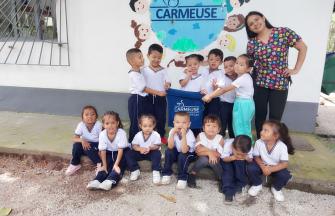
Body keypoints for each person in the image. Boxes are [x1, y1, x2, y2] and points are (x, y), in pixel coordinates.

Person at [245, 11, 307, 138]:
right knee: (260, 116)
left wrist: (296, 69)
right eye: (251, 24)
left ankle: (272, 145)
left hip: (280, 83)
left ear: (263, 17)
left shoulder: (283, 32)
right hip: (259, 83)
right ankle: (260, 143)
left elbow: (303, 47)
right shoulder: (252, 43)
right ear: (249, 28)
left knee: (275, 117)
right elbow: (249, 63)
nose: (255, 24)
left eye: (256, 19)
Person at [202, 54, 255, 140]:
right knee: (238, 126)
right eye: (237, 63)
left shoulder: (244, 78)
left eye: (241, 65)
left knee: (242, 127)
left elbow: (224, 90)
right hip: (240, 102)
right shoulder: (240, 76)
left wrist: (210, 95)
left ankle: (245, 147)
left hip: (244, 104)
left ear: (249, 69)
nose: (237, 66)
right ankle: (240, 144)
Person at [247, 120, 295, 202]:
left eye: (266, 130)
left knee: (285, 175)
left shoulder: (282, 146)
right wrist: (263, 167)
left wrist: (270, 169)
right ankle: (257, 184)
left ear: (275, 136)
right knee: (250, 167)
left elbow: (284, 164)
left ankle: (276, 188)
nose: (261, 132)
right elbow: (256, 156)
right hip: (263, 165)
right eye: (262, 129)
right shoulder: (259, 142)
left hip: (276, 167)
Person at [126, 48, 166, 143]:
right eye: (139, 57)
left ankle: (144, 140)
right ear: (132, 61)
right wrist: (159, 93)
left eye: (142, 57)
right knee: (136, 121)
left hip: (143, 99)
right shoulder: (134, 74)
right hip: (136, 99)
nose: (142, 59)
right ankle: (132, 142)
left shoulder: (141, 71)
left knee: (144, 120)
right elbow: (143, 88)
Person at [86, 111, 129, 190]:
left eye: (113, 123)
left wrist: (116, 164)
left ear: (117, 123)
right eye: (107, 123)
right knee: (106, 167)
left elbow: (120, 150)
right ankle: (97, 180)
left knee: (117, 167)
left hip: (121, 152)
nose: (110, 126)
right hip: (109, 153)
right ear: (103, 125)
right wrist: (104, 165)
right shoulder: (102, 134)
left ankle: (110, 181)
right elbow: (103, 151)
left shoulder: (121, 133)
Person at [142, 44, 171, 144]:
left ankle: (161, 135)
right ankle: (148, 135)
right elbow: (142, 86)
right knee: (148, 117)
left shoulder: (164, 70)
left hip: (160, 98)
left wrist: (167, 84)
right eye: (154, 57)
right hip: (147, 97)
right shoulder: (144, 70)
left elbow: (168, 82)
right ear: (148, 56)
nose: (156, 59)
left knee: (161, 117)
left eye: (159, 58)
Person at [187, 115, 224, 190]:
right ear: (203, 128)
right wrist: (210, 153)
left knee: (214, 161)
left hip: (214, 160)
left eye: (214, 126)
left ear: (219, 129)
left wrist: (205, 150)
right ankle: (192, 174)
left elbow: (218, 154)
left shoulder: (220, 138)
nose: (211, 128)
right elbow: (198, 152)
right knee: (204, 159)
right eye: (208, 125)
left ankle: (221, 179)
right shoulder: (200, 135)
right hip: (201, 159)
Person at [161, 111, 196, 189]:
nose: (180, 125)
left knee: (182, 156)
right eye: (177, 122)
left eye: (184, 123)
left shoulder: (190, 134)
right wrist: (172, 134)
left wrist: (183, 135)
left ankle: (182, 178)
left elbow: (184, 150)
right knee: (168, 152)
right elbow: (170, 146)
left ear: (188, 124)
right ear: (174, 123)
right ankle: (166, 173)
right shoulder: (172, 131)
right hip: (178, 151)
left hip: (188, 153)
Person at [65, 105, 102, 176]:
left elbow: (103, 140)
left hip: (96, 147)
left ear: (96, 116)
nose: (90, 116)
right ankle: (75, 164)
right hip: (85, 145)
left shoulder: (98, 125)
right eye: (86, 114)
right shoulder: (81, 125)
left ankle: (99, 164)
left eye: (92, 114)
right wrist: (82, 140)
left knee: (88, 146)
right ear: (82, 118)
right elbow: (74, 138)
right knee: (76, 145)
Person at [125, 114, 162, 184]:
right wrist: (140, 149)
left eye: (150, 126)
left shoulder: (156, 134)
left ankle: (156, 171)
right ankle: (135, 170)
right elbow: (134, 145)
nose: (147, 128)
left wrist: (150, 148)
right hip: (140, 152)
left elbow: (157, 145)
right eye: (145, 126)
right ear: (140, 126)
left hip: (151, 152)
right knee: (128, 153)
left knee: (157, 154)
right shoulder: (138, 135)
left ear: (153, 126)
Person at [179, 53, 205, 137]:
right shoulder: (183, 74)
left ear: (199, 64)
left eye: (195, 64)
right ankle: (183, 137)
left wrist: (203, 92)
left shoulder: (202, 77)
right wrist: (188, 75)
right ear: (186, 65)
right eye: (190, 65)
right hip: (185, 103)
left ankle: (196, 137)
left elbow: (202, 89)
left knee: (195, 120)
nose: (193, 66)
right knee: (185, 119)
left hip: (196, 103)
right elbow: (182, 84)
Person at [221, 135, 252, 202]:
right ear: (232, 147)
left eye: (243, 154)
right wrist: (233, 157)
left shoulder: (248, 147)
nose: (240, 155)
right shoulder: (228, 144)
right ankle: (228, 192)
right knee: (228, 172)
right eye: (238, 153)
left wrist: (247, 158)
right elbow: (224, 159)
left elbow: (251, 160)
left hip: (238, 161)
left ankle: (240, 185)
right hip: (227, 159)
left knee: (241, 170)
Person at [217, 56, 238, 138]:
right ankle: (220, 141)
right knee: (222, 124)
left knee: (233, 125)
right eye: (226, 67)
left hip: (235, 104)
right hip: (224, 104)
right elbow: (220, 89)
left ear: (236, 65)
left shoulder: (240, 78)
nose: (228, 68)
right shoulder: (223, 77)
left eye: (231, 66)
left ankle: (233, 141)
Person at [201, 49, 224, 118]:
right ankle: (202, 129)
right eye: (211, 59)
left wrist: (215, 87)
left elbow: (220, 89)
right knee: (202, 116)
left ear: (221, 62)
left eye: (217, 60)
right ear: (208, 60)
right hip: (202, 98)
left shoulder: (221, 73)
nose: (213, 61)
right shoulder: (203, 70)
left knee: (212, 118)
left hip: (214, 99)